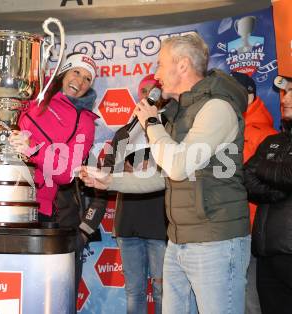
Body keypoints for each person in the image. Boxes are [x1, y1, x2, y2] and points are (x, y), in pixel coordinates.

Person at [79, 33, 251, 314]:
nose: (156, 75)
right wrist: (110, 180)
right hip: (179, 241)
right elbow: (163, 176)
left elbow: (177, 165)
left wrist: (151, 122)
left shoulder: (217, 107)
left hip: (216, 243)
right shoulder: (180, 113)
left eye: (160, 64)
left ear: (182, 65)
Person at [9, 52, 100, 299]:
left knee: (41, 294)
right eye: (77, 72)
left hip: (40, 212)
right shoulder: (34, 97)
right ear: (64, 72)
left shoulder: (86, 122)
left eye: (88, 79)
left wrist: (32, 149)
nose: (80, 82)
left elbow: (65, 174)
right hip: (1, 201)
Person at [104, 74, 167, 314]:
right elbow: (107, 170)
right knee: (134, 290)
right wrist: (126, 168)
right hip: (127, 223)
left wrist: (152, 168)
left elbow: (176, 167)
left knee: (163, 290)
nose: (148, 97)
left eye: (154, 92)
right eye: (144, 92)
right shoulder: (124, 132)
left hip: (160, 222)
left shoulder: (166, 129)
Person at [230, 71, 277, 314]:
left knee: (250, 299)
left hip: (252, 229)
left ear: (248, 96)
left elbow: (252, 183)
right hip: (230, 228)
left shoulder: (266, 135)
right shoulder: (230, 128)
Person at [244, 75, 292, 314]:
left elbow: (289, 174)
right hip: (265, 250)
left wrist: (263, 169)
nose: (286, 98)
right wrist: (279, 190)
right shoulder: (273, 140)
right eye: (285, 92)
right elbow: (248, 179)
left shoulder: (264, 137)